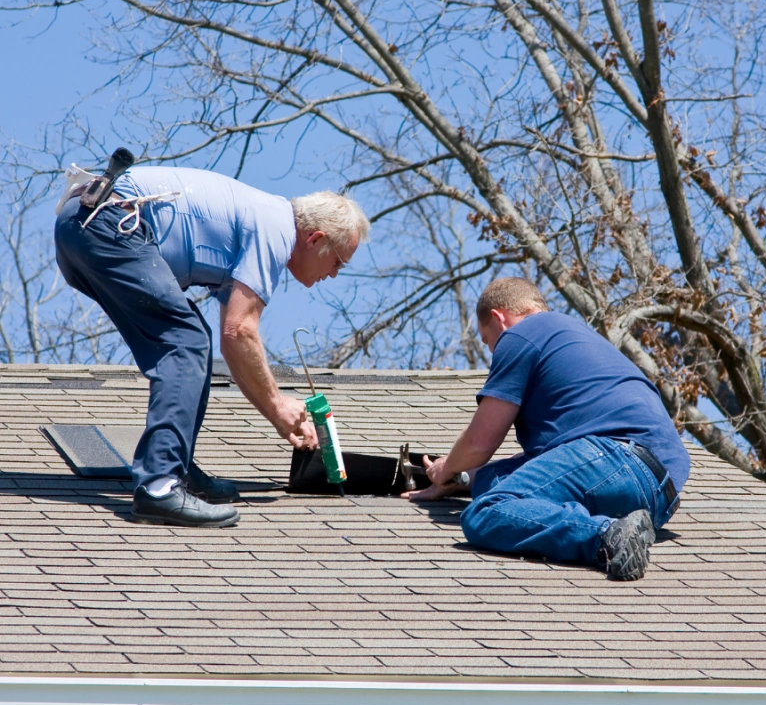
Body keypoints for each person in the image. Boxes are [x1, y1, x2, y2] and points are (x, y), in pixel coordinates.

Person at [55, 165, 370, 528]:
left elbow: (231, 342)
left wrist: (276, 412)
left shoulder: (259, 219)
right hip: (108, 223)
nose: (333, 273)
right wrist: (279, 405)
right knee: (185, 341)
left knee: (193, 340)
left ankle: (177, 468)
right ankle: (159, 486)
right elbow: (241, 331)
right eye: (338, 262)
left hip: (81, 224)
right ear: (315, 239)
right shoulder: (275, 229)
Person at [404, 277, 690, 580]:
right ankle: (623, 529)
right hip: (658, 495)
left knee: (485, 512)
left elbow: (479, 444)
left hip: (615, 457)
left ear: (499, 318)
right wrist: (462, 480)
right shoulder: (574, 338)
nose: (493, 351)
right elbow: (543, 467)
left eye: (488, 341)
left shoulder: (521, 335)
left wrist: (446, 467)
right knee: (497, 485)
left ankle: (607, 535)